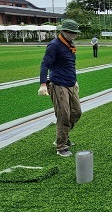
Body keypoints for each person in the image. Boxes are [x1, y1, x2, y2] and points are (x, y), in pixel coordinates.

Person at [38, 19, 82, 157]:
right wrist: (43, 84)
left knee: (76, 113)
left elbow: (69, 65)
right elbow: (45, 65)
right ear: (63, 31)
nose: (73, 35)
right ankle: (61, 146)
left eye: (75, 33)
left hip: (71, 83)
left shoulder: (69, 44)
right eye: (71, 32)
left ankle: (63, 136)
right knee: (64, 115)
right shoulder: (54, 45)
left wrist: (75, 81)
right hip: (58, 84)